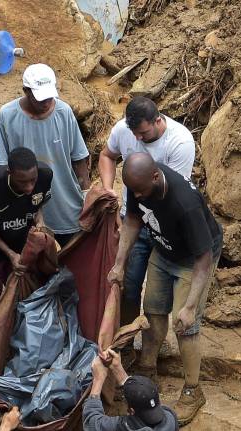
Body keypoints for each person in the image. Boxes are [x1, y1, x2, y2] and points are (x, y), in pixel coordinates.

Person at [107, 153, 222, 425]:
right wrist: (119, 264)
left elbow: (204, 260)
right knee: (153, 312)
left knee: (184, 327)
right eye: (134, 192)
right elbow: (133, 221)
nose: (138, 196)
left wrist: (190, 306)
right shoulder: (139, 184)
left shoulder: (185, 203)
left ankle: (193, 390)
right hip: (164, 251)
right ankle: (147, 371)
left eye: (142, 191)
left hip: (193, 260)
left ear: (156, 177)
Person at [98, 96, 195, 327]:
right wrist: (108, 189)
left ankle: (151, 349)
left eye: (143, 133)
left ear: (158, 120)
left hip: (165, 225)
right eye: (134, 133)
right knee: (128, 284)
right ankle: (127, 339)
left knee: (156, 296)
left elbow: (172, 195)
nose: (138, 138)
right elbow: (107, 156)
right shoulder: (124, 130)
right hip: (132, 219)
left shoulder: (180, 142)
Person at [0, 63, 90, 247]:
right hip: (26, 207)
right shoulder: (7, 116)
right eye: (40, 99)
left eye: (49, 97)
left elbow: (79, 158)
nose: (46, 103)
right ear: (26, 91)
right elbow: (2, 167)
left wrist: (85, 195)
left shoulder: (64, 112)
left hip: (66, 203)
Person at [0, 147, 53, 314]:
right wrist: (9, 253)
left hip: (21, 245)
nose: (30, 187)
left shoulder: (45, 175)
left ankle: (18, 335)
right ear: (10, 173)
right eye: (23, 182)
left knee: (23, 295)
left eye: (33, 180)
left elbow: (38, 206)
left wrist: (40, 222)